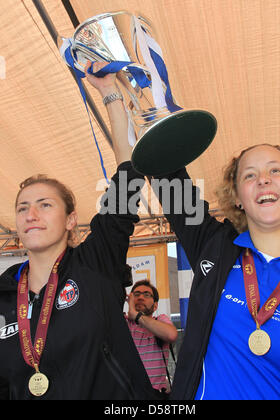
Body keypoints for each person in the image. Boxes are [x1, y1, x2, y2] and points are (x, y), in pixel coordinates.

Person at [0, 61, 159, 400]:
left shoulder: (94, 263)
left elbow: (127, 180)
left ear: (71, 219)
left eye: (45, 204)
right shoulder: (3, 292)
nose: (32, 214)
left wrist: (110, 93)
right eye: (23, 207)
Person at [155, 143, 280, 400]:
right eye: (249, 175)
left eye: (275, 170)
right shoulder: (215, 248)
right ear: (236, 197)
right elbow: (169, 177)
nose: (263, 180)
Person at [126, 280, 178, 393]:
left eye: (146, 295)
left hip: (154, 395)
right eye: (136, 294)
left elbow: (171, 334)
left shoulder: (160, 319)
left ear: (155, 306)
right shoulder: (123, 323)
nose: (140, 297)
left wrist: (136, 315)